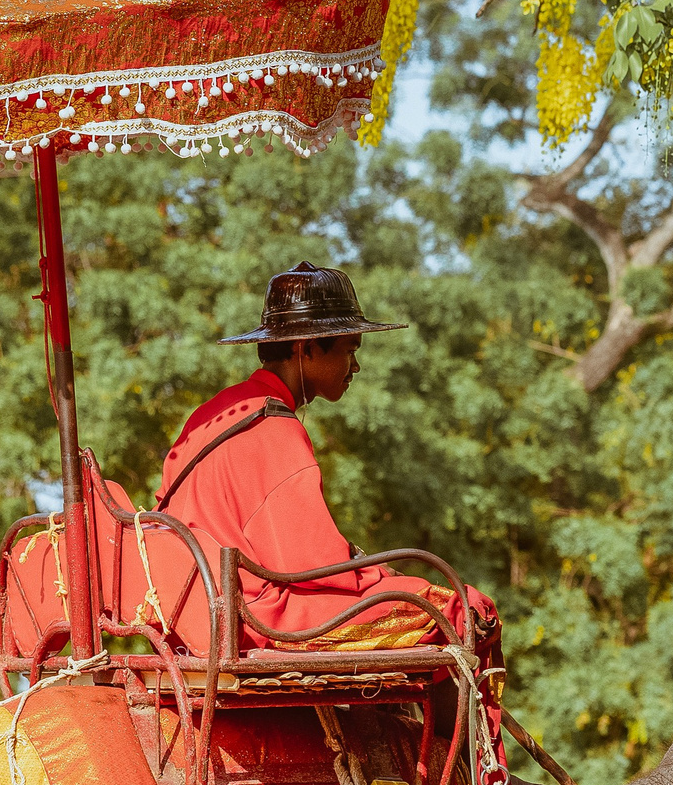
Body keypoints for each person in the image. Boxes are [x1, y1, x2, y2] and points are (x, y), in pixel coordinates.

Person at [154, 262, 484, 655]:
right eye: (349, 350)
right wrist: (376, 572)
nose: (356, 366)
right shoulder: (274, 426)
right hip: (254, 613)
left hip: (192, 607)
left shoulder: (213, 412)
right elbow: (309, 565)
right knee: (460, 608)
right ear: (306, 348)